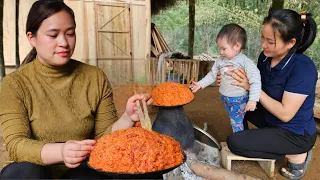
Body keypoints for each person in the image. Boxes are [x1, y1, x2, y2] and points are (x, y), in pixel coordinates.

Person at [0, 0, 152, 179]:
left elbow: (105, 141)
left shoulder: (94, 77)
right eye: (53, 35)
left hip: (80, 171)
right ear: (32, 38)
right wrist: (62, 151)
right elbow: (16, 145)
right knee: (24, 172)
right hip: (33, 171)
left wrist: (127, 118)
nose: (64, 42)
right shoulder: (14, 84)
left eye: (70, 33)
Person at [224, 9, 317, 180]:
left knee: (234, 143)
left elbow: (285, 114)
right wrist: (230, 76)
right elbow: (253, 85)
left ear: (291, 43)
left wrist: (253, 88)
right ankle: (255, 140)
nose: (263, 45)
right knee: (237, 103)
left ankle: (297, 155)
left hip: (294, 132)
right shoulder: (265, 57)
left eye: (270, 41)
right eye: (262, 38)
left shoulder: (303, 68)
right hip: (271, 117)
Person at [190, 23, 261, 133]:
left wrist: (253, 100)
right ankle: (240, 140)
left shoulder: (245, 62)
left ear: (237, 46)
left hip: (239, 99)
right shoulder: (220, 60)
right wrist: (200, 84)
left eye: (224, 49)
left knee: (236, 122)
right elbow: (212, 75)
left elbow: (255, 81)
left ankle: (239, 144)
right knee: (234, 120)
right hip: (225, 98)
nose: (220, 52)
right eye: (220, 48)